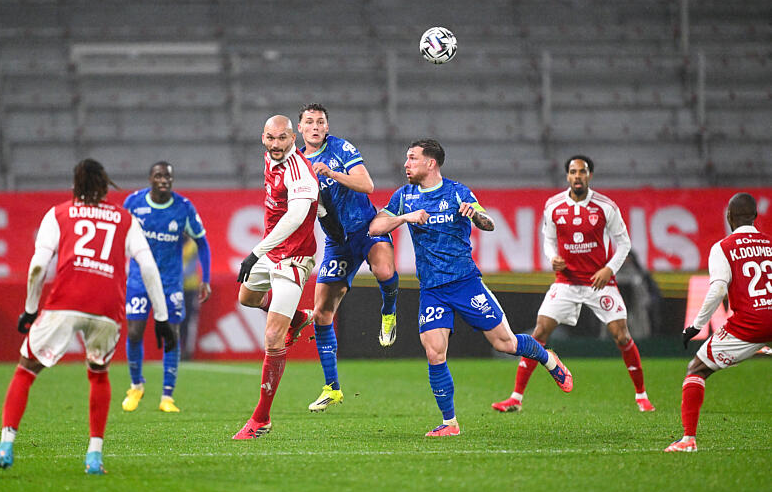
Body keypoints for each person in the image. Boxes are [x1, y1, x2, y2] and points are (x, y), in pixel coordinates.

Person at [0, 159, 174, 477]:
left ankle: (5, 446)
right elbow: (148, 267)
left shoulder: (58, 214)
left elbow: (38, 266)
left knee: (26, 370)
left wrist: (30, 308)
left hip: (65, 303)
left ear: (74, 186)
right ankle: (94, 457)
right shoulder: (125, 219)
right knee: (99, 374)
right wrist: (161, 317)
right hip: (107, 309)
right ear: (105, 186)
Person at [368, 139, 573, 436]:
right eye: (406, 158)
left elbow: (488, 223)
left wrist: (474, 214)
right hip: (432, 289)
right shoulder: (405, 196)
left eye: (412, 158)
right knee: (434, 353)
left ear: (430, 163)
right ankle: (450, 423)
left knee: (505, 344)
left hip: (466, 284)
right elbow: (374, 228)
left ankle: (548, 359)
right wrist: (404, 218)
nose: (406, 164)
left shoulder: (457, 192)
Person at [492, 155, 655, 414]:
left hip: (599, 282)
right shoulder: (554, 205)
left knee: (622, 335)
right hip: (566, 282)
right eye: (573, 171)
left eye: (582, 171)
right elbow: (548, 240)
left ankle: (641, 396)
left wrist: (609, 269)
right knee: (539, 332)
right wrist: (552, 258)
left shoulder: (606, 207)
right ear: (567, 176)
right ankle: (516, 398)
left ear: (590, 175)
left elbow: (624, 243)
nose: (577, 176)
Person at [296, 103, 399, 412]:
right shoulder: (297, 164)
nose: (315, 127)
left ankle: (389, 312)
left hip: (367, 227)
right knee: (322, 312)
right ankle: (332, 388)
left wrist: (332, 173)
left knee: (384, 271)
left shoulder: (340, 148)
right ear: (300, 128)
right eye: (309, 122)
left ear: (327, 127)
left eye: (320, 122)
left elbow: (368, 185)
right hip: (337, 242)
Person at [232, 114, 320, 440]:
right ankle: (297, 317)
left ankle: (261, 418)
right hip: (271, 250)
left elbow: (296, 216)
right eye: (270, 138)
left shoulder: (300, 173)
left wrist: (255, 252)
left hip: (293, 258)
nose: (276, 144)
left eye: (282, 138)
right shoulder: (269, 158)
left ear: (293, 138)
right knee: (247, 298)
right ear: (263, 138)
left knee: (272, 337)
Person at [665, 192, 772, 452]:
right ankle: (759, 348)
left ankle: (688, 440)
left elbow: (718, 290)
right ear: (755, 216)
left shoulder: (723, 247)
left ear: (729, 216)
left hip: (751, 324)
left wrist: (696, 325)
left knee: (696, 369)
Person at [121, 162, 212, 413]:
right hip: (139, 279)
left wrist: (205, 278)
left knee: (172, 333)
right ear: (150, 178)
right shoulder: (133, 203)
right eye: (159, 176)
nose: (164, 180)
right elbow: (119, 236)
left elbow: (202, 242)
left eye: (168, 177)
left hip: (171, 282)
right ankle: (136, 386)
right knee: (134, 332)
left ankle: (167, 397)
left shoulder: (183, 207)